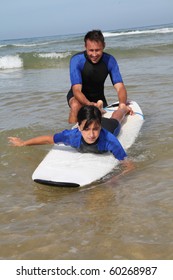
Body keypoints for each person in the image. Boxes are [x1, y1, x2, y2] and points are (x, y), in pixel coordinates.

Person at [8, 104, 133, 173]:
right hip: (94, 120)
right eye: (86, 129)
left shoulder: (109, 140)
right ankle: (98, 108)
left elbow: (128, 165)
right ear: (78, 127)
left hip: (109, 126)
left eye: (95, 129)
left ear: (99, 127)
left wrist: (114, 180)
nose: (91, 134)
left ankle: (122, 108)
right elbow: (48, 139)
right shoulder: (72, 136)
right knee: (96, 119)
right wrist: (24, 143)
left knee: (116, 119)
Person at [67, 29, 133, 123]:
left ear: (104, 46)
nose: (94, 54)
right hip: (78, 97)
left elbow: (120, 87)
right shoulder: (76, 60)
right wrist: (89, 104)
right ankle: (71, 134)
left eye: (97, 50)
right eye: (91, 50)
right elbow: (76, 90)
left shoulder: (110, 60)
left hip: (99, 99)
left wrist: (122, 104)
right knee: (75, 105)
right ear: (85, 47)